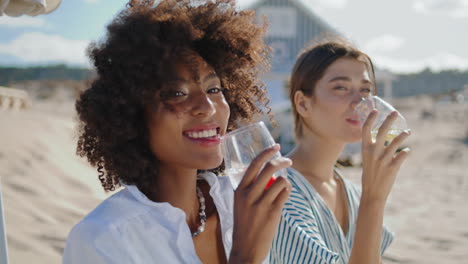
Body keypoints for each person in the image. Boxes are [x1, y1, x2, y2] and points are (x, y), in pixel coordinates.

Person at [63, 0, 292, 263]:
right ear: (132, 113)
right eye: (176, 93)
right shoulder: (104, 239)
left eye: (214, 89)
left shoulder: (242, 202)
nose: (206, 107)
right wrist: (245, 256)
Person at [270, 39, 411, 264]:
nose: (359, 101)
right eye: (341, 88)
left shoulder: (351, 193)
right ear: (303, 104)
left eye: (365, 90)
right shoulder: (280, 193)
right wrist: (373, 200)